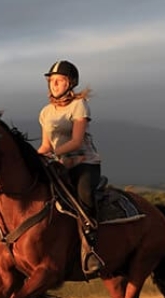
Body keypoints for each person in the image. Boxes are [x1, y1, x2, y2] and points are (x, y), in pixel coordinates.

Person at [36, 60, 104, 277]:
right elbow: (46, 145)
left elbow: (76, 140)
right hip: (59, 166)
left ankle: (91, 249)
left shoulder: (79, 106)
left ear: (70, 83)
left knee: (83, 195)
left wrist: (55, 154)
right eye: (51, 81)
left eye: (59, 80)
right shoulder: (45, 112)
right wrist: (33, 157)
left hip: (84, 163)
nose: (54, 84)